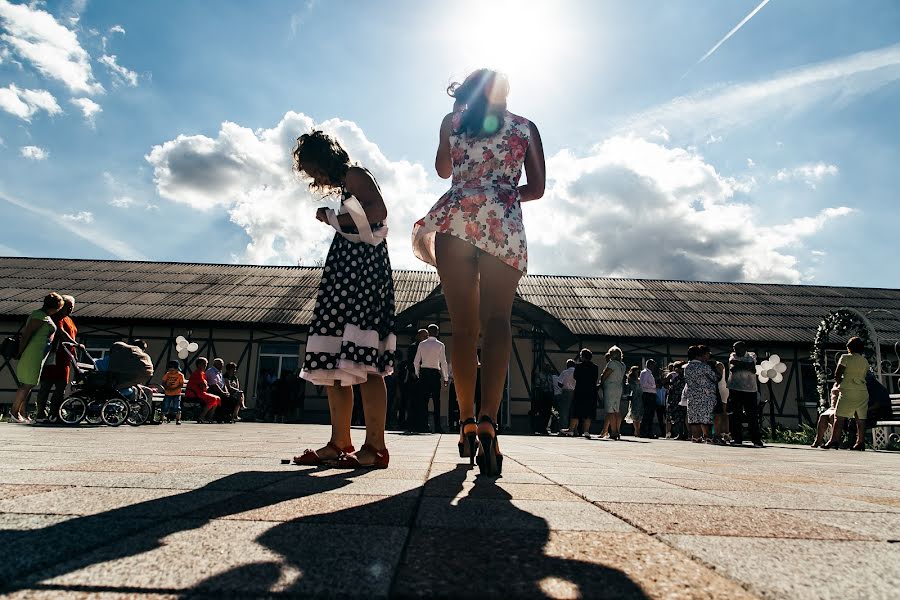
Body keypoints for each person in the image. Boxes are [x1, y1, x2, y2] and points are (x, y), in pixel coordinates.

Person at [413, 68, 545, 475]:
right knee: (498, 322)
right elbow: (537, 188)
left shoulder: (451, 123)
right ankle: (490, 421)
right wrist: (502, 193)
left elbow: (441, 170)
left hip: (455, 223)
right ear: (507, 92)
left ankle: (466, 421)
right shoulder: (526, 127)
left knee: (463, 329)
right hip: (502, 225)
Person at [292, 130, 395, 469]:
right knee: (336, 357)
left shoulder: (355, 173)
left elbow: (378, 210)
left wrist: (332, 218)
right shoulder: (347, 182)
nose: (314, 177)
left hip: (361, 273)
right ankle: (339, 442)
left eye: (313, 169)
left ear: (324, 158)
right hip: (345, 272)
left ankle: (376, 447)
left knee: (366, 360)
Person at [10, 293, 65, 423]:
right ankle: (14, 412)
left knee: (29, 385)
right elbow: (26, 335)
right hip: (32, 354)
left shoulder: (43, 316)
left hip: (38, 355)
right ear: (57, 306)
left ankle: (22, 413)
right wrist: (20, 352)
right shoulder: (39, 316)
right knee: (27, 384)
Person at [35, 295, 78, 423]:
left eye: (71, 307)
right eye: (67, 306)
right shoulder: (56, 318)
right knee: (46, 386)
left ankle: (55, 413)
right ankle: (40, 413)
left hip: (65, 358)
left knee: (61, 387)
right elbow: (61, 333)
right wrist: (76, 345)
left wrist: (74, 352)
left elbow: (72, 337)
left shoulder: (70, 320)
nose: (69, 309)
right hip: (54, 356)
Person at [823, 336, 870, 451]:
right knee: (860, 418)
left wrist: (839, 384)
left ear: (849, 347)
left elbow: (837, 373)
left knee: (839, 417)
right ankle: (860, 442)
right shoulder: (865, 361)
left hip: (848, 390)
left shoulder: (845, 358)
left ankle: (834, 440)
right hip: (862, 391)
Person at [413, 324, 449, 433]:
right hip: (434, 374)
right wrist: (445, 377)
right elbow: (443, 362)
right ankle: (438, 426)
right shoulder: (441, 345)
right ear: (437, 332)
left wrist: (418, 374)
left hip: (424, 373)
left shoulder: (422, 344)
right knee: (436, 401)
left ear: (428, 332)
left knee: (423, 401)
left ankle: (424, 425)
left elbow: (415, 361)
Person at [727, 342, 762, 447]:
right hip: (735, 388)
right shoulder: (733, 355)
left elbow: (752, 368)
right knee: (735, 414)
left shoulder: (751, 355)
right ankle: (737, 438)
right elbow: (733, 366)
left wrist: (740, 364)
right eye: (734, 348)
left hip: (750, 389)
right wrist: (746, 365)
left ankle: (756, 440)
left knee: (752, 415)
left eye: (737, 348)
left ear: (744, 348)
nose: (735, 350)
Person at [684, 346, 718, 442]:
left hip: (692, 394)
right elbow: (714, 378)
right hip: (705, 395)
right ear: (699, 355)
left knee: (694, 417)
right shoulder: (704, 367)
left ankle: (695, 436)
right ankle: (707, 436)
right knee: (705, 416)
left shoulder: (687, 367)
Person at [567, 349, 598, 438]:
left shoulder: (578, 366)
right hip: (591, 391)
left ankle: (571, 430)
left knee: (576, 411)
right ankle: (586, 431)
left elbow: (575, 377)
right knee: (588, 412)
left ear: (582, 356)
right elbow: (595, 378)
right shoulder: (595, 367)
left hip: (580, 390)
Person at [600, 346, 626, 440]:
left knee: (610, 410)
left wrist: (601, 383)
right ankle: (617, 430)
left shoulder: (612, 363)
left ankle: (614, 431)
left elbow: (605, 375)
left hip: (610, 387)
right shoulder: (623, 365)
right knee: (617, 410)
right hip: (618, 387)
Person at [186, 357, 220, 423]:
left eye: (206, 364)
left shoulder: (202, 373)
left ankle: (209, 417)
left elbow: (205, 385)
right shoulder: (197, 373)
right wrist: (205, 387)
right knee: (213, 399)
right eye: (203, 364)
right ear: (198, 364)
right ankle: (201, 417)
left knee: (217, 398)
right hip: (194, 393)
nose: (205, 365)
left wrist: (205, 387)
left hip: (200, 392)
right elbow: (203, 385)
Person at [666, 362, 687, 440]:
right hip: (676, 400)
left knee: (680, 418)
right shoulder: (678, 378)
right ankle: (681, 433)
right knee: (678, 418)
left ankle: (682, 434)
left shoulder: (682, 378)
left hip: (679, 400)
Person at [639, 359, 659, 438]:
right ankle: (644, 432)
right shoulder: (645, 373)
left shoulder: (649, 373)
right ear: (649, 365)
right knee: (647, 414)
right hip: (648, 394)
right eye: (653, 365)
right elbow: (643, 384)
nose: (654, 367)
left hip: (651, 394)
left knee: (651, 414)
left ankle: (649, 432)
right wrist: (654, 386)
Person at [161, 359, 184, 424]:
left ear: (177, 369)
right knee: (165, 405)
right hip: (168, 393)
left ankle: (178, 419)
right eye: (170, 370)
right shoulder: (167, 374)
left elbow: (181, 384)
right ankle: (162, 418)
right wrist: (166, 387)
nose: (171, 372)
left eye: (173, 370)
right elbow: (163, 382)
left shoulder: (180, 375)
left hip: (176, 393)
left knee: (176, 406)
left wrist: (175, 388)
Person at [556, 359, 576, 432]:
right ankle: (574, 429)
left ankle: (563, 428)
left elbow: (559, 383)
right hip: (575, 392)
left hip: (566, 392)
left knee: (564, 411)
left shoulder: (565, 372)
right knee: (574, 411)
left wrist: (564, 386)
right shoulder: (577, 372)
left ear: (567, 365)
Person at [626, 366, 643, 436]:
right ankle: (637, 430)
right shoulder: (631, 379)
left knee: (638, 414)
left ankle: (637, 430)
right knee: (635, 414)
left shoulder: (638, 379)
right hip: (635, 397)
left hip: (639, 397)